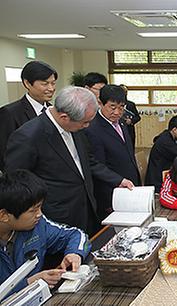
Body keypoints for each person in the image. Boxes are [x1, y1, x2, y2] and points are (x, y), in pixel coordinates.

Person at [5, 86, 134, 236]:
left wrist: (118, 180)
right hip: (56, 217)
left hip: (87, 208)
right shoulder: (29, 136)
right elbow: (17, 183)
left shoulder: (75, 126)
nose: (87, 126)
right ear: (64, 117)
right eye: (85, 122)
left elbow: (88, 162)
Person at [0, 170, 91, 300]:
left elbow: (75, 235)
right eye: (33, 210)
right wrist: (29, 283)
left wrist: (74, 253)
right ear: (3, 215)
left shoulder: (38, 226)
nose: (39, 214)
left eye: (40, 207)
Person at [84, 85, 141, 220]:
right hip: (111, 192)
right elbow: (96, 165)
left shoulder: (121, 123)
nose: (117, 112)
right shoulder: (92, 129)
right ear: (100, 103)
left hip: (129, 186)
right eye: (112, 107)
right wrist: (118, 181)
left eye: (121, 107)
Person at [0, 61, 58, 171]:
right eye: (45, 84)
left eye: (53, 83)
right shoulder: (9, 113)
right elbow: (4, 154)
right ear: (27, 84)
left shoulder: (53, 110)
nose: (51, 88)